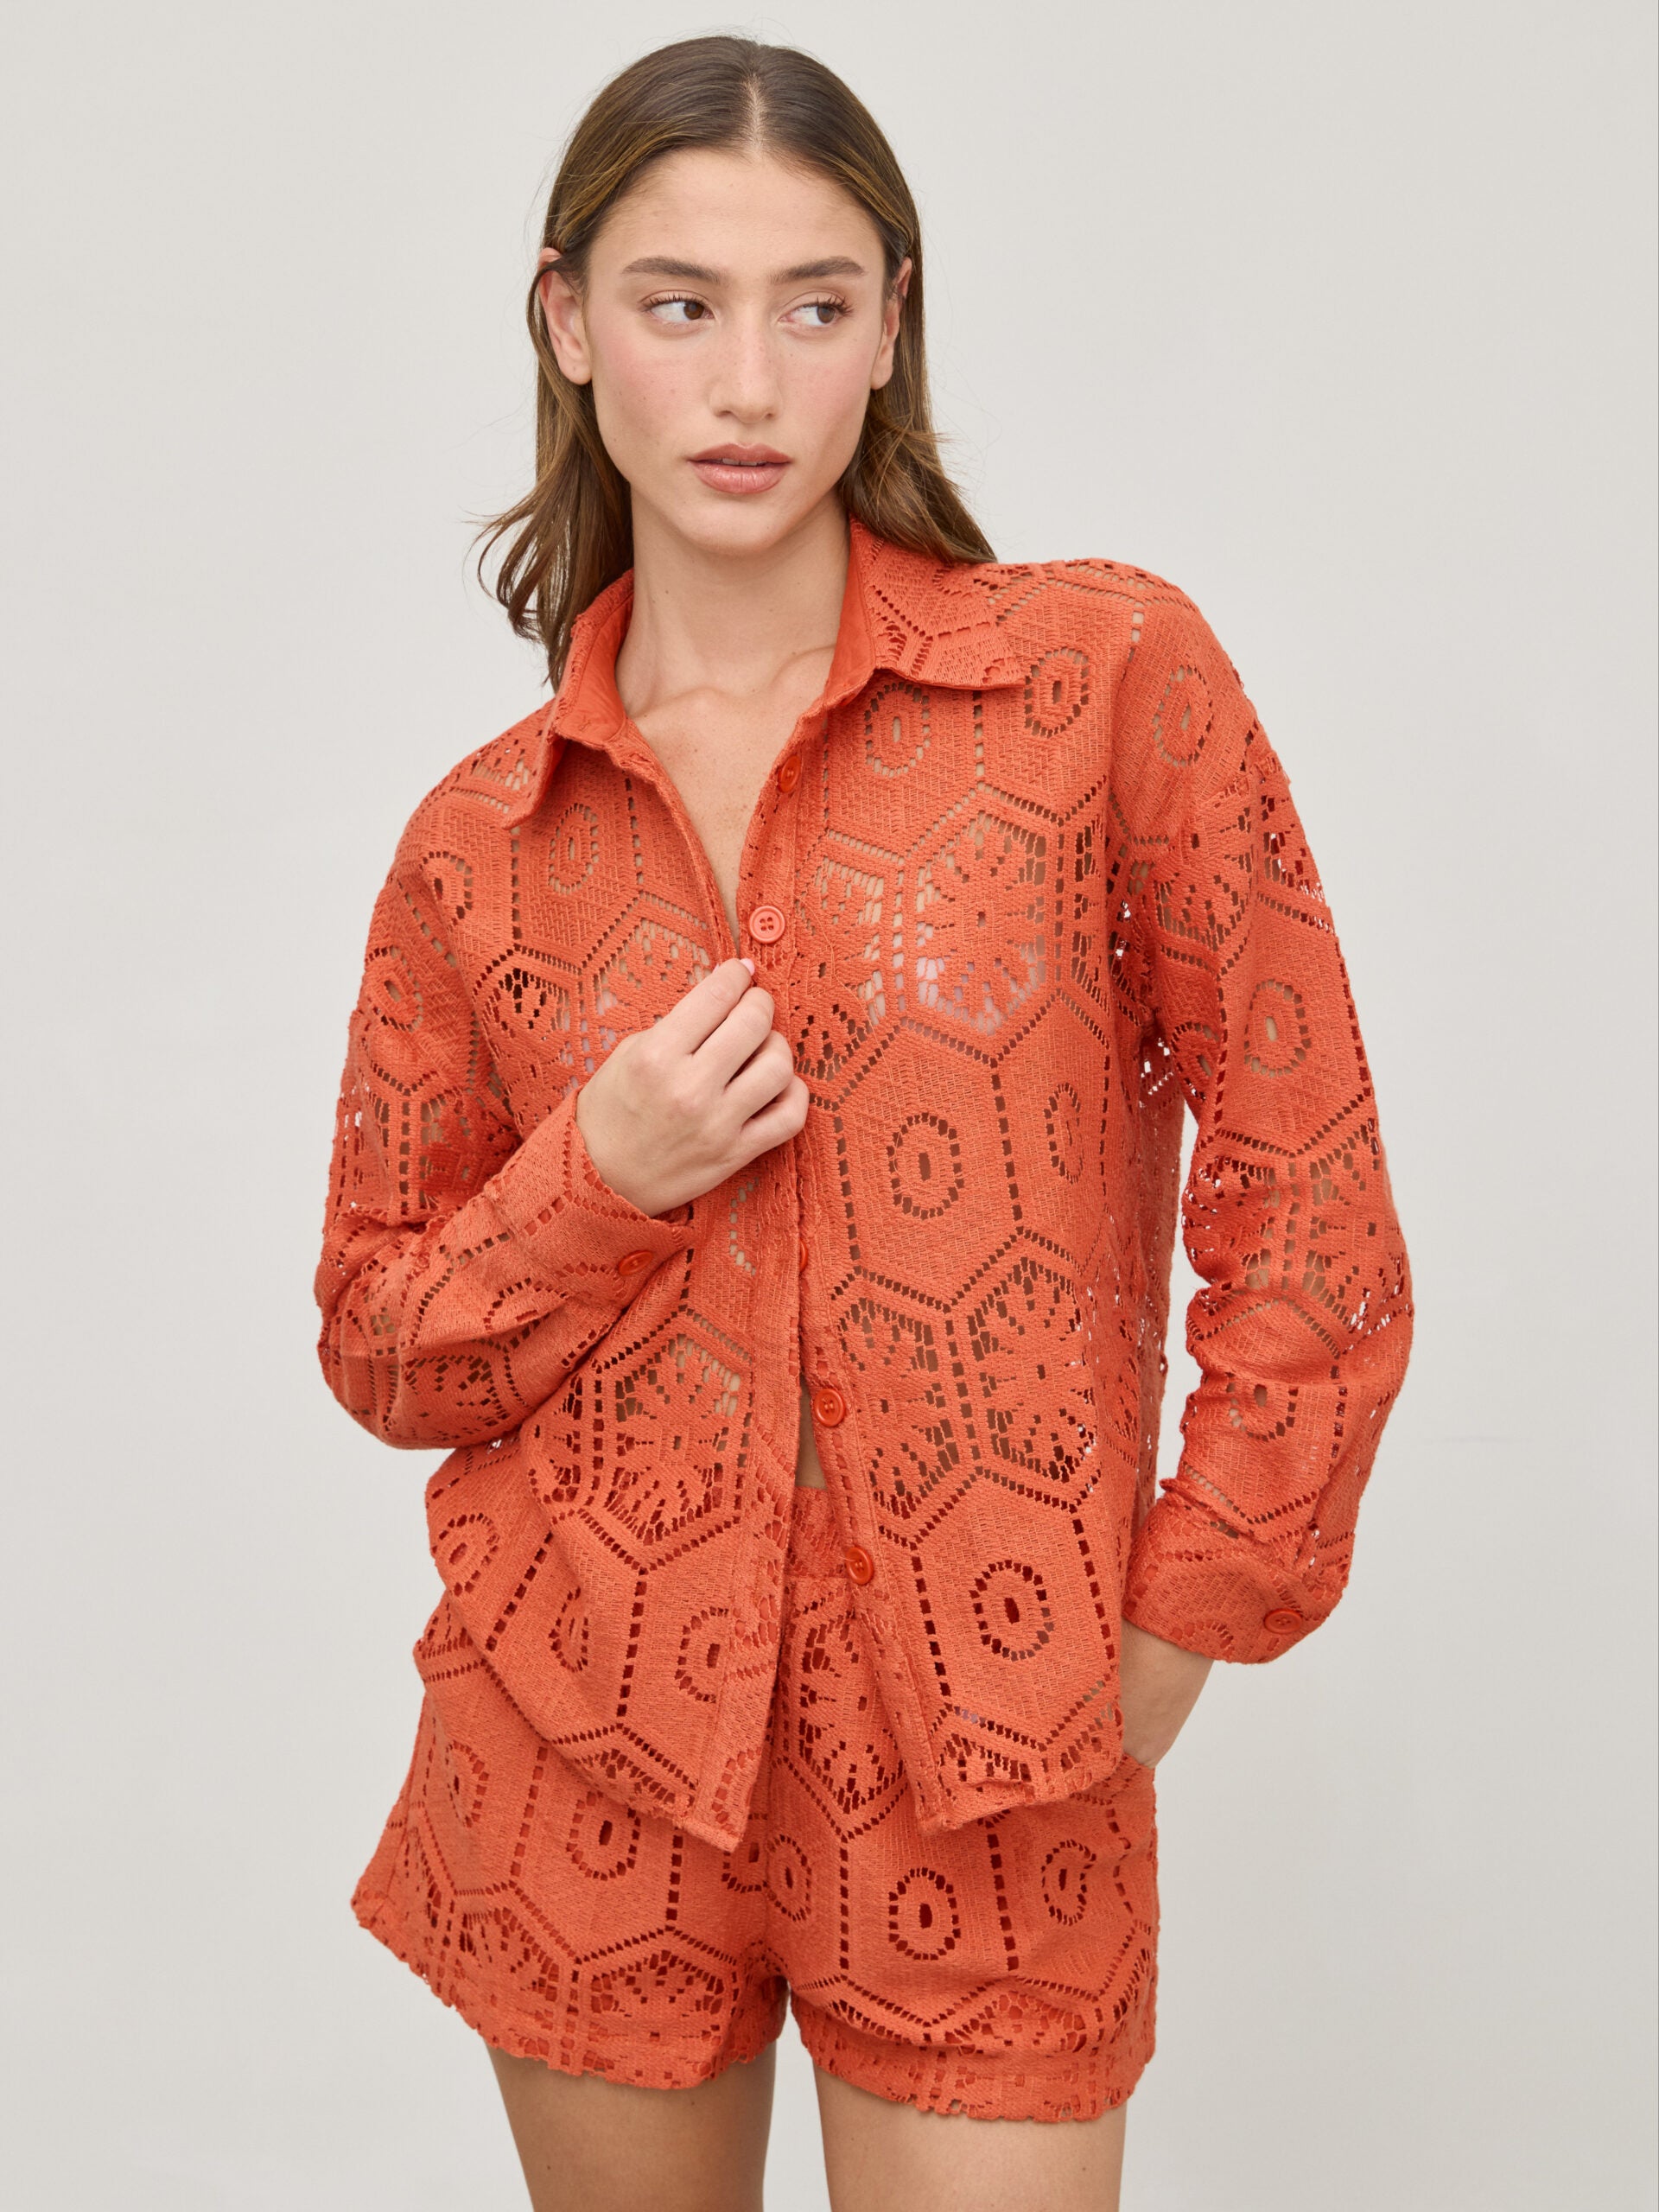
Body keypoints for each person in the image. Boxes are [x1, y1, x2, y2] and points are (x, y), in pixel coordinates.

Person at [313, 34, 1414, 2212]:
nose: (748, 382)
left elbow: (1313, 1198)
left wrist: (1182, 1616)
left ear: (892, 325)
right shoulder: (481, 846)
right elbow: (378, 1336)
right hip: (583, 1729)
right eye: (680, 303)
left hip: (995, 1741)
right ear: (567, 321)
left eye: (813, 304)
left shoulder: (1099, 686)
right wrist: (598, 1180)